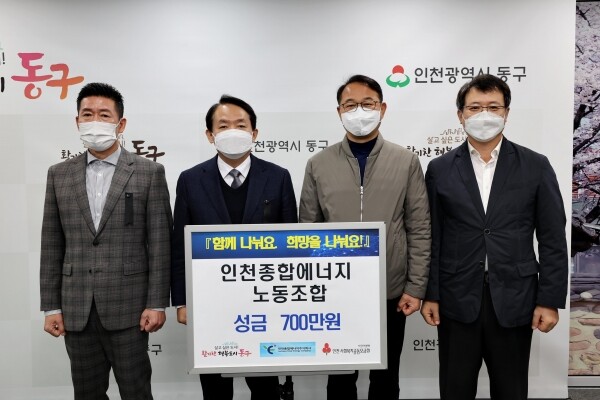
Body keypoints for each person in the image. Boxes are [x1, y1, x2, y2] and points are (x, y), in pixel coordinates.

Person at [420, 73, 568, 400]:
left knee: (511, 391)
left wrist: (549, 300)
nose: (484, 115)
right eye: (474, 107)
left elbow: (553, 238)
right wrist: (431, 294)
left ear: (506, 113)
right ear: (460, 115)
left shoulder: (535, 165)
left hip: (515, 298)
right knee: (455, 390)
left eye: (493, 107)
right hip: (457, 298)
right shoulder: (440, 168)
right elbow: (433, 236)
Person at [299, 74, 431, 400]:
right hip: (335, 292)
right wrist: (315, 288)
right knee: (340, 378)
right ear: (339, 112)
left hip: (391, 290)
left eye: (367, 104)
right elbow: (308, 230)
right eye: (350, 105)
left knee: (386, 377)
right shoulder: (318, 164)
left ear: (382, 108)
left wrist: (415, 288)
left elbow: (419, 227)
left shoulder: (405, 161)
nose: (359, 111)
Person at [40, 82, 172, 400]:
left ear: (120, 123)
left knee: (136, 391)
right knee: (86, 393)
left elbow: (160, 243)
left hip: (130, 307)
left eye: (104, 114)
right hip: (76, 307)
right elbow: (52, 243)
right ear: (77, 121)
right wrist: (51, 306)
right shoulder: (59, 174)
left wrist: (156, 303)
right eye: (87, 114)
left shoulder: (149, 172)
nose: (95, 121)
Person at [171, 94, 298, 400]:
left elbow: (291, 244)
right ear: (209, 134)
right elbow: (179, 245)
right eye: (223, 125)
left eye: (241, 125)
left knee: (265, 387)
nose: (233, 131)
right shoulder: (190, 180)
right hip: (209, 302)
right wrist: (182, 301)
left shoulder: (278, 177)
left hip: (264, 302)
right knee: (215, 388)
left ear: (254, 133)